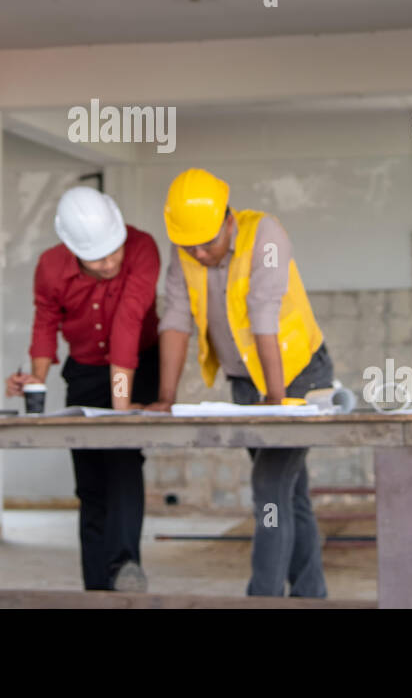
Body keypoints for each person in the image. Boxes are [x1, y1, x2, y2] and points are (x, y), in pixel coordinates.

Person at [148, 168, 334, 598]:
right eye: (188, 246)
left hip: (297, 379)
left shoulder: (265, 234)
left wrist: (276, 401)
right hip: (246, 384)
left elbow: (263, 314)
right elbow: (176, 317)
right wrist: (166, 398)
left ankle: (262, 599)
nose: (199, 253)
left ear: (228, 221)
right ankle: (311, 596)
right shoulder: (186, 249)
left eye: (207, 243)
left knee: (269, 489)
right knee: (290, 491)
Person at [6, 185, 160, 591]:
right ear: (72, 249)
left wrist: (121, 411)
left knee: (124, 461)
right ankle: (96, 587)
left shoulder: (143, 247)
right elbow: (45, 323)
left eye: (114, 252)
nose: (109, 264)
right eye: (97, 258)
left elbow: (129, 322)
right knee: (90, 482)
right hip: (86, 371)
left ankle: (125, 566)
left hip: (137, 365)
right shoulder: (50, 267)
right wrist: (36, 378)